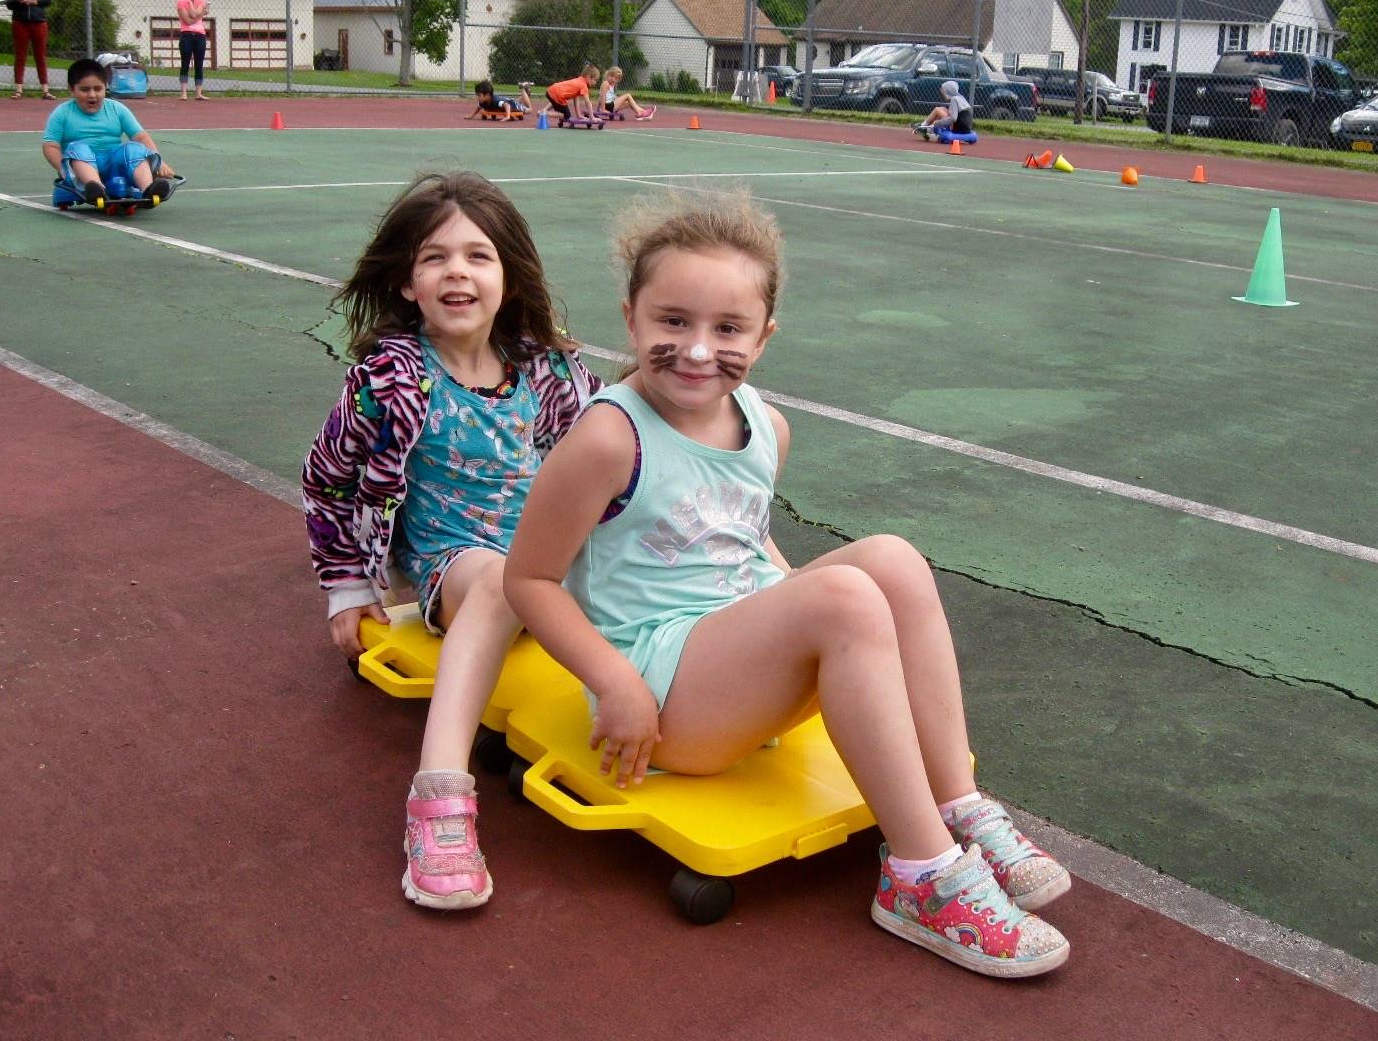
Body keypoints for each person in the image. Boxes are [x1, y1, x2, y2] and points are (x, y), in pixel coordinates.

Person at [502, 189, 1072, 977]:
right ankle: (921, 876)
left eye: (727, 329)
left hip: (730, 666)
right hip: (658, 699)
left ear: (763, 338)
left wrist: (815, 619)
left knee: (891, 561)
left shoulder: (764, 424)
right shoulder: (608, 437)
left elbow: (740, 535)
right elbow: (529, 579)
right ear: (630, 317)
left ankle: (957, 804)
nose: (698, 351)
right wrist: (614, 682)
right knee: (843, 598)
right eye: (672, 322)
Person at [303, 171, 603, 911]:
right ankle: (439, 796)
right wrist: (347, 586)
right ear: (408, 283)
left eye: (478, 256)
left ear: (507, 276)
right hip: (460, 566)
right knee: (504, 579)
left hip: (560, 560)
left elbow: (615, 446)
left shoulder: (549, 370)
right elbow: (329, 479)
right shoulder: (392, 379)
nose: (457, 272)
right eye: (435, 258)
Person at [42, 58, 175, 205]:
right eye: (85, 90)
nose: (92, 95)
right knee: (78, 148)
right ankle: (95, 188)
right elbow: (50, 146)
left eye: (98, 89)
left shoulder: (116, 109)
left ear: (106, 87)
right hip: (82, 167)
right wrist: (62, 169)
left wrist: (159, 163)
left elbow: (140, 136)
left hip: (114, 164)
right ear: (72, 89)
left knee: (134, 148)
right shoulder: (62, 113)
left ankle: (148, 190)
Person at [5, 0, 53, 100]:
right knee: (20, 55)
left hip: (39, 22)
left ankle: (45, 90)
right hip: (20, 22)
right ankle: (19, 89)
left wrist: (33, 1)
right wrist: (19, 1)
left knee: (40, 56)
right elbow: (8, 4)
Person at [175, 0, 210, 101]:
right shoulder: (181, 2)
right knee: (185, 62)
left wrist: (195, 12)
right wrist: (201, 13)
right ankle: (184, 93)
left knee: (199, 64)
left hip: (200, 35)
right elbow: (188, 20)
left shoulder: (201, 1)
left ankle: (198, 93)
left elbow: (194, 15)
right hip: (187, 35)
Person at [464, 78, 532, 121]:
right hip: (509, 100)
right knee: (516, 100)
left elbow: (507, 105)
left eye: (479, 95)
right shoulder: (482, 101)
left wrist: (508, 116)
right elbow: (478, 108)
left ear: (487, 95)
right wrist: (471, 116)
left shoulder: (496, 101)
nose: (477, 97)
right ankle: (525, 93)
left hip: (513, 105)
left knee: (529, 109)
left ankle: (523, 88)